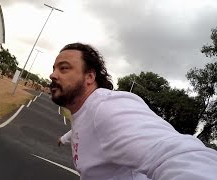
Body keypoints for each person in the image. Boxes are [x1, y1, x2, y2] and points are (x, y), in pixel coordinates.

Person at [49, 42, 217, 180]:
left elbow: (177, 156)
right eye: (54, 68)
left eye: (64, 68)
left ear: (90, 77)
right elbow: (79, 130)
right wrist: (62, 139)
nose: (52, 75)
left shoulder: (107, 107)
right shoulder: (84, 112)